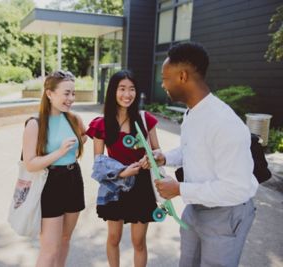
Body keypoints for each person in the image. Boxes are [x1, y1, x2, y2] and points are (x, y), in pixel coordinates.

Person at [153, 42, 259, 267]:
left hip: (226, 214)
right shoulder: (193, 112)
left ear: (182, 76)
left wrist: (180, 189)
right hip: (196, 208)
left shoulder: (224, 123)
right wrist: (165, 157)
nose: (162, 84)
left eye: (165, 78)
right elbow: (191, 149)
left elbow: (235, 189)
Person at [86, 70, 160, 267]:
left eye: (132, 89)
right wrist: (122, 173)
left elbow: (158, 153)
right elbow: (99, 163)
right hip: (114, 186)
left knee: (138, 242)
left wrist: (150, 158)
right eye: (122, 89)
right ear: (113, 91)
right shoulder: (101, 124)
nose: (127, 94)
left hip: (142, 185)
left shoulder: (145, 120)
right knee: (113, 238)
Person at [22, 70, 87, 267]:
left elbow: (83, 136)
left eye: (73, 93)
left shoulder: (73, 119)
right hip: (50, 183)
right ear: (50, 94)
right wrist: (58, 153)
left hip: (74, 179)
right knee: (49, 249)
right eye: (66, 93)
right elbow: (30, 163)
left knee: (65, 239)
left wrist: (76, 145)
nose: (71, 98)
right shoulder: (35, 124)